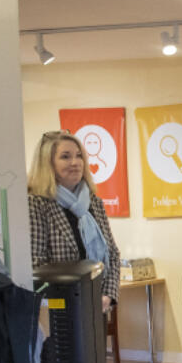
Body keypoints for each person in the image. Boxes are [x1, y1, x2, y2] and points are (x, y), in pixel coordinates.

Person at [28, 130, 121, 311]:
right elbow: (36, 265)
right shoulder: (37, 203)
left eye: (79, 156)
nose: (75, 162)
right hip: (59, 308)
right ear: (47, 163)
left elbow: (113, 254)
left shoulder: (93, 202)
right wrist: (71, 299)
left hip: (96, 304)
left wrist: (107, 296)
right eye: (65, 157)